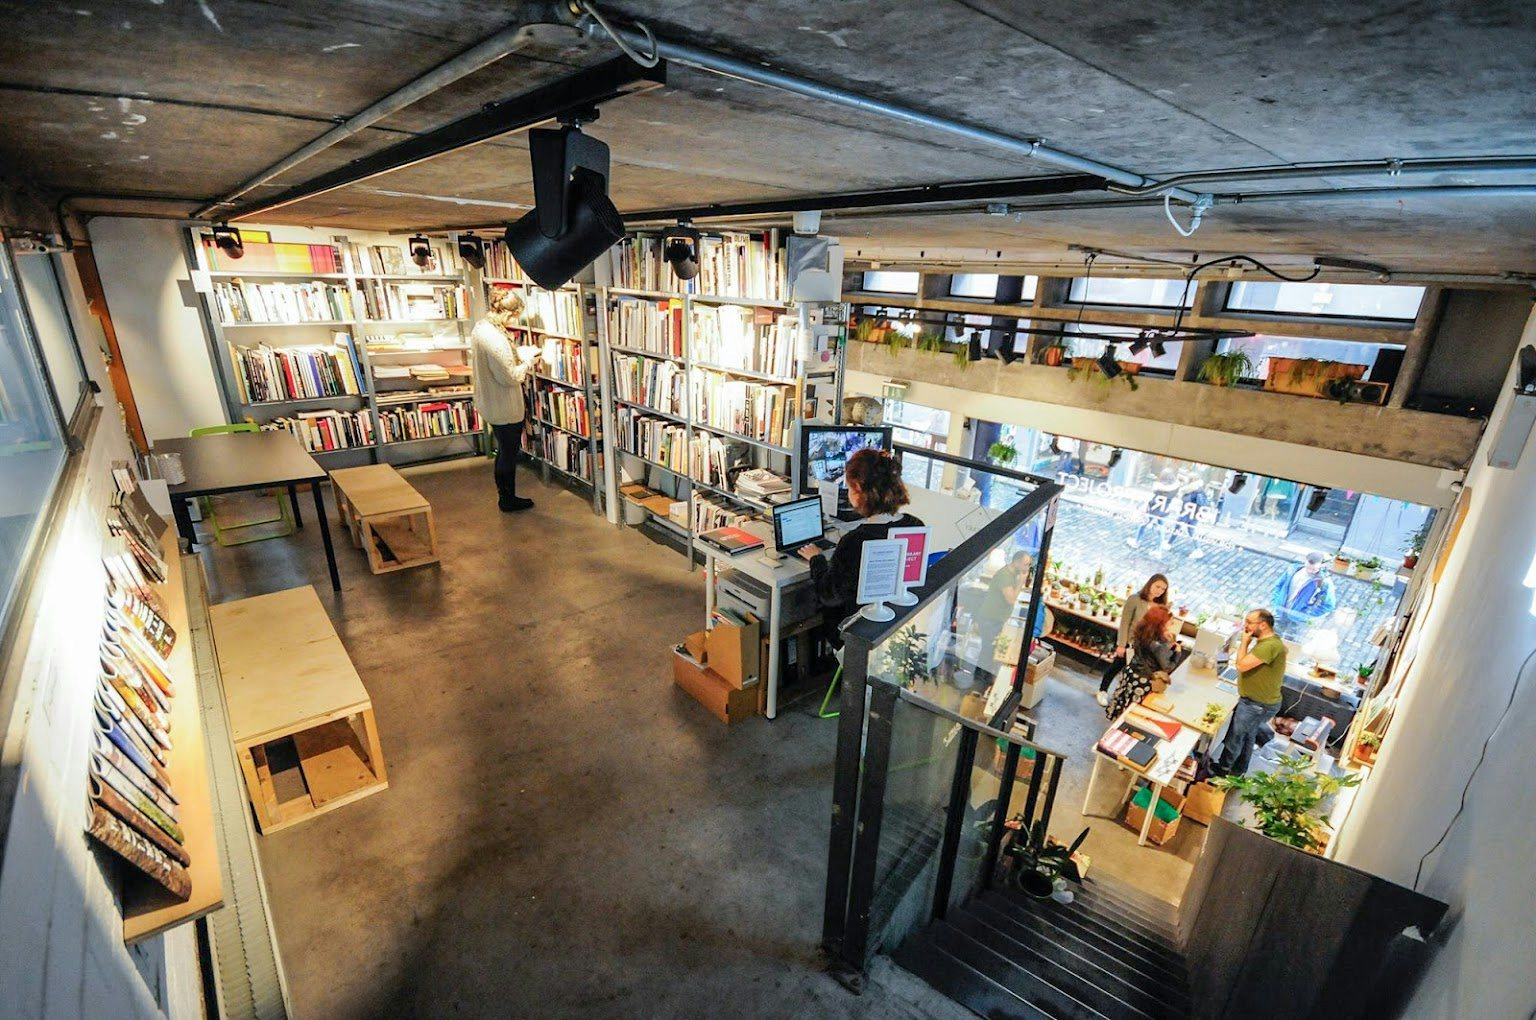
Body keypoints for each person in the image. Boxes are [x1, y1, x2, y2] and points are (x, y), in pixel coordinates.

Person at [808, 448, 923, 644]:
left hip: (856, 634)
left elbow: (829, 595)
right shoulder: (915, 525)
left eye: (849, 485)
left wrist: (816, 559)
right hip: (896, 628)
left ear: (859, 489)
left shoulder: (855, 541)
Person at [471, 288, 542, 512]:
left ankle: (506, 496)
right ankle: (507, 499)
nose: (514, 322)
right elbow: (510, 376)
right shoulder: (494, 337)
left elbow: (500, 362)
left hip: (491, 402)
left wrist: (519, 352)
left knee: (503, 451)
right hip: (504, 406)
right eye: (514, 316)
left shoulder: (482, 328)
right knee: (508, 453)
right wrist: (528, 362)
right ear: (506, 313)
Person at [1210, 608, 1287, 777]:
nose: (1246, 626)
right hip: (1257, 701)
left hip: (1257, 704)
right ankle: (1239, 770)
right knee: (1248, 735)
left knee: (1235, 738)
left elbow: (1241, 665)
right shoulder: (1267, 642)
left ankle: (1222, 772)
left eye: (1249, 623)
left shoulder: (1270, 645)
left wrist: (1244, 641)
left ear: (1264, 625)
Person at [1098, 573, 1171, 707]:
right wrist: (1121, 644)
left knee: (1133, 673)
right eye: (1157, 586)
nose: (1159, 591)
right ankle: (1103, 690)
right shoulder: (1135, 599)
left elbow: (1160, 626)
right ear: (1150, 584)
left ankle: (1121, 696)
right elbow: (1125, 623)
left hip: (1147, 647)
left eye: (1163, 589)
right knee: (1116, 666)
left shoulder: (1161, 606)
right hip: (1130, 642)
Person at [1105, 604, 1184, 719]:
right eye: (1170, 621)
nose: (1171, 624)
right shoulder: (1159, 643)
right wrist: (1177, 653)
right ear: (1161, 623)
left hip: (1131, 673)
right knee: (1135, 713)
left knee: (1123, 703)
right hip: (1144, 681)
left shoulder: (1142, 632)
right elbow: (1166, 667)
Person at [1270, 551, 1338, 641]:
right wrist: (1276, 601)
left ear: (1320, 566)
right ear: (1305, 562)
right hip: (1281, 612)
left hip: (1298, 620)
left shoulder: (1324, 582)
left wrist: (1307, 614)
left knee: (1289, 643)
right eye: (1308, 568)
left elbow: (1329, 605)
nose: (1310, 571)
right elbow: (1278, 585)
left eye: (1314, 569)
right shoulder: (1292, 571)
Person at [1126, 469, 1179, 551]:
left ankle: (1136, 542)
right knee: (1161, 526)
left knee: (1143, 524)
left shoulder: (1159, 486)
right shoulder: (1175, 487)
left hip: (1155, 508)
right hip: (1165, 509)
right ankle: (1161, 547)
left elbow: (1155, 491)